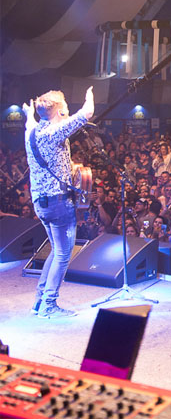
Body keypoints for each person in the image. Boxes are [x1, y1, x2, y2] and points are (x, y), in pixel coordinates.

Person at [24, 86, 94, 318]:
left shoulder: (32, 131)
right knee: (64, 254)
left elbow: (29, 122)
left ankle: (39, 301)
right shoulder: (54, 132)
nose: (68, 109)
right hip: (58, 203)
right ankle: (49, 305)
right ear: (59, 112)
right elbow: (87, 113)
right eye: (64, 106)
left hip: (41, 203)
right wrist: (89, 96)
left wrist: (29, 113)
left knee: (57, 250)